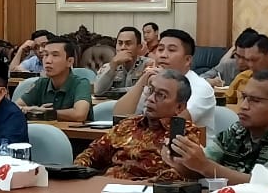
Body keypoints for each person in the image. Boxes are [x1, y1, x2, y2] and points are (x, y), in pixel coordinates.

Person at [167, 69, 268, 187]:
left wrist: (204, 166)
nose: (244, 106)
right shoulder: (238, 129)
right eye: (244, 97)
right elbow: (200, 169)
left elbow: (267, 187)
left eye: (255, 100)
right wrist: (182, 161)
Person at [76, 70, 207, 182]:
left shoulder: (185, 134)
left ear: (179, 107)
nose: (150, 98)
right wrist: (78, 171)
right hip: (108, 188)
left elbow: (181, 175)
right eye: (150, 90)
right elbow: (92, 153)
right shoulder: (127, 125)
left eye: (161, 95)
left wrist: (139, 186)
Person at [114, 28, 217, 126]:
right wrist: (143, 80)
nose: (163, 55)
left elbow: (175, 123)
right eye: (160, 49)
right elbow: (119, 118)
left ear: (187, 60)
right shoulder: (154, 81)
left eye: (171, 50)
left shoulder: (201, 88)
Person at [17, 38, 93, 122]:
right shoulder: (41, 83)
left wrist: (48, 113)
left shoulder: (81, 83)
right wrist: (31, 109)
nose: (48, 61)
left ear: (70, 61)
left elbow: (79, 114)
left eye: (55, 55)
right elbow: (14, 107)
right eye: (45, 55)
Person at [95, 26, 150, 95]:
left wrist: (114, 91)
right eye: (120, 43)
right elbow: (98, 91)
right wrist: (113, 65)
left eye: (128, 44)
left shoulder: (148, 65)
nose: (123, 47)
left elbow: (147, 90)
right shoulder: (108, 66)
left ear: (139, 47)